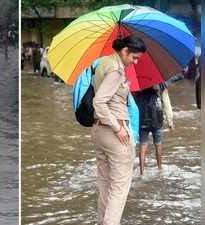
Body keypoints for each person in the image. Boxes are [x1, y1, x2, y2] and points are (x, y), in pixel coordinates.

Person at [91, 35, 146, 225]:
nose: (136, 62)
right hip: (116, 132)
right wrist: (118, 129)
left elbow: (103, 96)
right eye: (134, 57)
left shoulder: (103, 64)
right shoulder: (116, 69)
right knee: (120, 187)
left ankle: (102, 221)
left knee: (105, 184)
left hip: (98, 131)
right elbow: (99, 101)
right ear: (125, 51)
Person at [134, 83, 174, 175]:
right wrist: (170, 121)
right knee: (158, 144)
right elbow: (166, 101)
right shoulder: (160, 83)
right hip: (157, 118)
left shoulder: (137, 82)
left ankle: (142, 173)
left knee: (143, 146)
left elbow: (133, 102)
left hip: (142, 118)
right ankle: (160, 169)